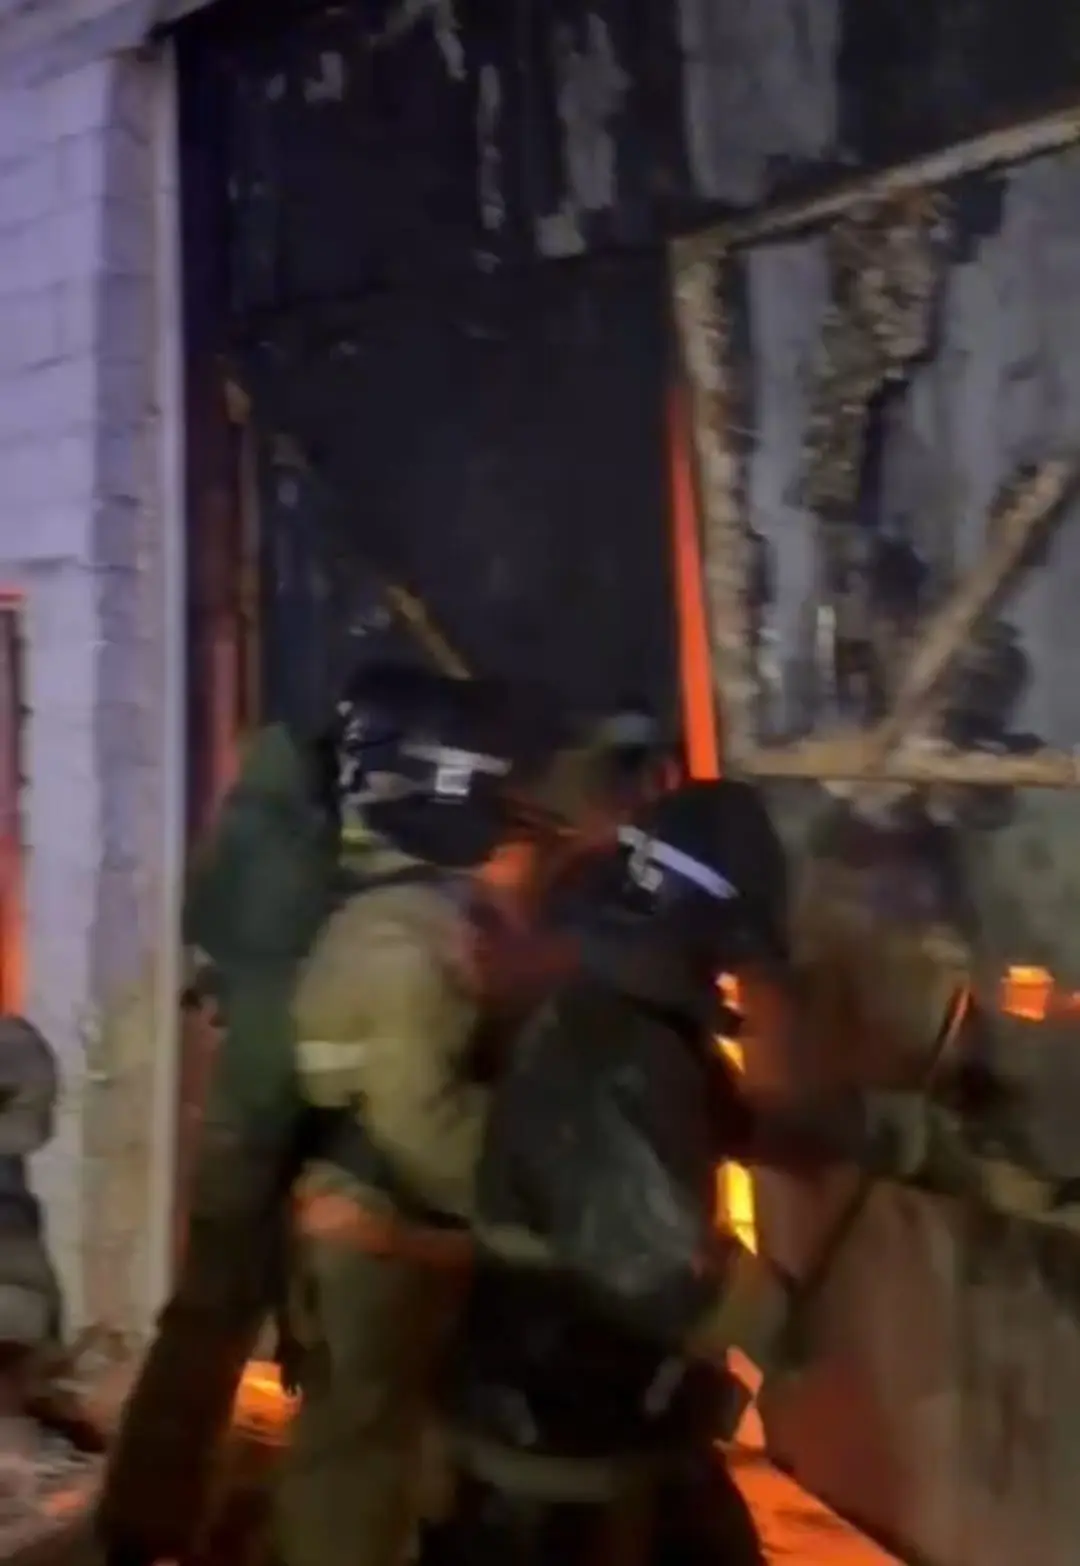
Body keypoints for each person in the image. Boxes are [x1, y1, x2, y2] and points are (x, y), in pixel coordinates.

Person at [431, 779, 1045, 1566]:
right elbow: (658, 1273)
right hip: (559, 1448)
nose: (735, 978)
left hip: (595, 1418)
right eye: (731, 954)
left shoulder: (627, 1023)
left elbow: (746, 1124)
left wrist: (914, 1136)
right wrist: (772, 1317)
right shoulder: (620, 1059)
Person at [95, 661, 564, 1566]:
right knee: (290, 1317)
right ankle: (228, 1521)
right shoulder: (332, 857)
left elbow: (219, 929)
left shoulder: (291, 813)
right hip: (288, 1106)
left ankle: (144, 1521)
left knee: (217, 1313)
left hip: (270, 1090)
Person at [269, 666, 576, 1566]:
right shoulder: (407, 939)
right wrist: (534, 1207)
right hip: (377, 1235)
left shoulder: (396, 912)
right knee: (355, 1468)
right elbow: (421, 1124)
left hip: (387, 1227)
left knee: (399, 1450)